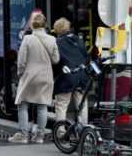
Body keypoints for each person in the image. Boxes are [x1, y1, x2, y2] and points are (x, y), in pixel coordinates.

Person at [8, 13, 59, 144]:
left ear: (32, 24)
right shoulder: (52, 39)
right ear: (45, 24)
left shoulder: (27, 39)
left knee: (23, 104)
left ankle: (24, 135)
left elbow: (21, 60)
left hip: (29, 76)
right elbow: (56, 59)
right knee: (42, 106)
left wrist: (20, 73)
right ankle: (40, 136)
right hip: (46, 76)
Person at [53, 17, 89, 124]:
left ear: (57, 30)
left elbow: (55, 60)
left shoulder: (57, 42)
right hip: (81, 76)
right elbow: (86, 57)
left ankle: (60, 132)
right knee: (82, 104)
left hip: (66, 76)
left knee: (61, 105)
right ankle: (84, 132)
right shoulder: (78, 40)